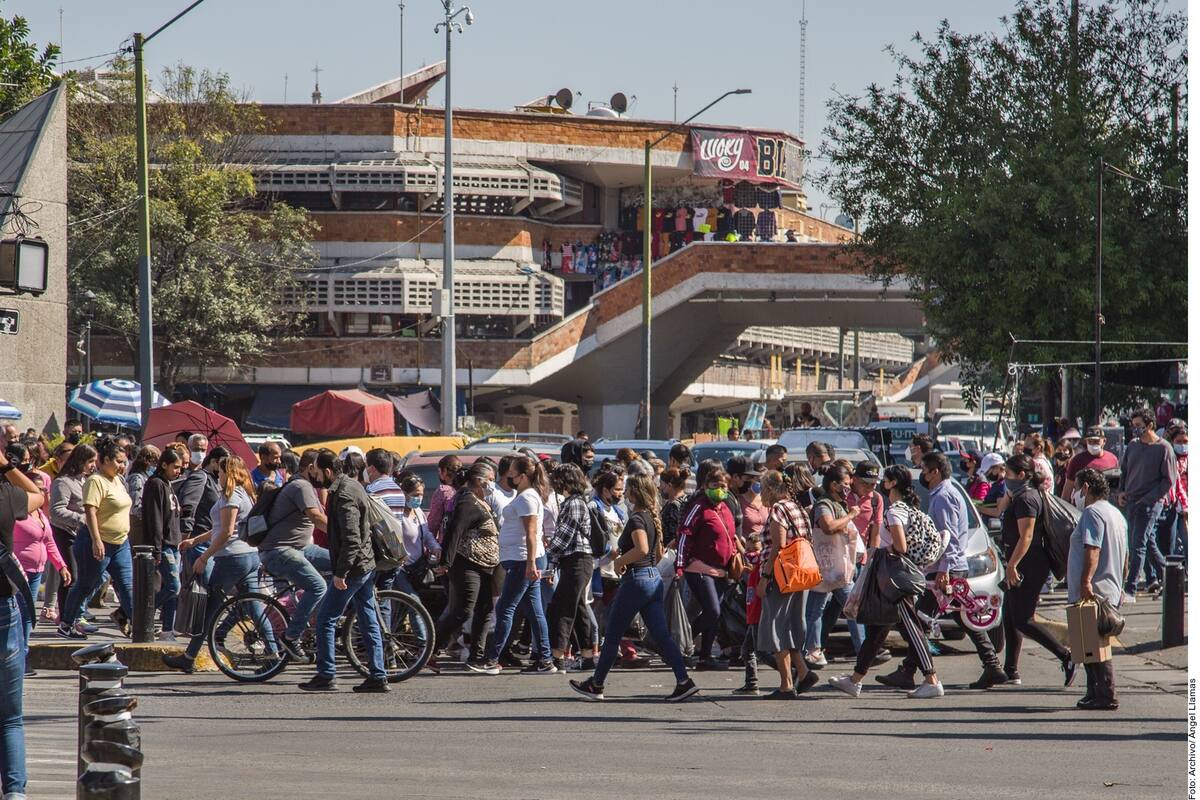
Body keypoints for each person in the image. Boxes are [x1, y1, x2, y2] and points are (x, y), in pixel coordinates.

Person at [569, 474, 698, 702]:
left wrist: (620, 561)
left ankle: (596, 684)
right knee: (661, 635)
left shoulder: (638, 518)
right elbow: (657, 554)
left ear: (634, 493)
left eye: (627, 489)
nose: (624, 493)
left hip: (637, 580)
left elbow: (642, 548)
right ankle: (683, 680)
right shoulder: (651, 518)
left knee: (612, 633)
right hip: (652, 579)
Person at [885, 453, 1006, 690]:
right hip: (949, 568)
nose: (923, 475)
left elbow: (949, 537)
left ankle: (908, 671)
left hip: (946, 569)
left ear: (935, 472)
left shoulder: (943, 496)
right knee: (962, 617)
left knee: (921, 620)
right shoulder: (947, 492)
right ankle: (993, 667)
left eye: (925, 470)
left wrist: (944, 570)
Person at [828, 465, 945, 699]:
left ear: (892, 484)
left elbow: (900, 546)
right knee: (877, 631)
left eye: (885, 480)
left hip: (894, 579)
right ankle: (855, 680)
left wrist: (883, 550)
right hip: (896, 577)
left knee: (911, 629)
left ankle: (932, 681)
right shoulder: (908, 509)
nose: (881, 484)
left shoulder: (895, 512)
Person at [163, 456, 276, 675]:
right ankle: (274, 654)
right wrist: (195, 541)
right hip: (250, 556)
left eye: (221, 472)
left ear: (228, 473)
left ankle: (189, 657)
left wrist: (204, 557)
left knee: (210, 609)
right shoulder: (245, 493)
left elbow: (226, 532)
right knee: (254, 607)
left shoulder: (231, 495)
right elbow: (220, 528)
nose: (219, 475)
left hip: (232, 558)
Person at [294, 451, 388, 692]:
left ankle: (326, 674)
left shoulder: (344, 494)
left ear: (328, 471)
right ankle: (378, 675)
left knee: (326, 618)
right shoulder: (352, 485)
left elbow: (351, 539)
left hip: (354, 568)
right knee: (367, 619)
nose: (315, 477)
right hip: (364, 564)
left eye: (317, 472)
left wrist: (341, 573)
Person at [471, 456, 554, 674]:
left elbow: (531, 533)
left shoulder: (527, 497)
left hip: (523, 560)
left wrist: (530, 564)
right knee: (534, 611)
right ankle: (545, 660)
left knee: (505, 608)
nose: (509, 477)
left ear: (523, 476)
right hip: (522, 559)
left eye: (512, 474)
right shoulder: (525, 495)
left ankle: (493, 659)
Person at [1000, 453, 1075, 686]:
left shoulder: (1027, 499)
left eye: (1008, 474)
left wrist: (1012, 565)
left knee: (1024, 619)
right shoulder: (1023, 495)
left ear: (1022, 475)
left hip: (1029, 564)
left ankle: (1066, 656)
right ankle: (1010, 670)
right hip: (1024, 562)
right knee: (1010, 616)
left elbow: (1027, 536)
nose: (1004, 477)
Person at [0, 442, 45, 798]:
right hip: (3, 608)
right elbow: (38, 495)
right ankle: (15, 793)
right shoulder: (5, 494)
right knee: (10, 718)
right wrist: (5, 466)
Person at [56, 439, 134, 641]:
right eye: (118, 461)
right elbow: (90, 511)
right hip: (97, 541)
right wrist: (96, 540)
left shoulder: (118, 480)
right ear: (105, 460)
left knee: (127, 585)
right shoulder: (95, 481)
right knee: (86, 584)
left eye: (124, 462)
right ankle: (66, 624)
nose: (122, 466)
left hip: (120, 542)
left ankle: (140, 626)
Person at [255, 449, 330, 660]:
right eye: (320, 470)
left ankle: (317, 618)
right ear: (311, 468)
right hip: (279, 551)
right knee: (318, 586)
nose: (323, 475)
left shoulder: (306, 486)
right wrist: (344, 535)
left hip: (300, 547)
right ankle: (292, 635)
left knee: (340, 563)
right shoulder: (300, 486)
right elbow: (316, 518)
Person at [1064, 468, 1128, 710]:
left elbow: (1093, 548)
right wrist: (1121, 584)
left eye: (1076, 488)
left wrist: (1085, 581)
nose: (1074, 494)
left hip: (1095, 588)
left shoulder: (1092, 513)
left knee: (1095, 644)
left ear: (1086, 488)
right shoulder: (1115, 513)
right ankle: (1094, 692)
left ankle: (1106, 694)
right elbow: (1126, 557)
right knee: (1088, 644)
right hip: (1110, 586)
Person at [754, 470, 819, 698]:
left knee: (776, 628)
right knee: (790, 626)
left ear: (771, 489)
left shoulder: (779, 509)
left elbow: (778, 546)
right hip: (799, 574)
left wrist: (765, 577)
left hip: (780, 576)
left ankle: (786, 684)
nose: (761, 494)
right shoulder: (796, 507)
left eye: (762, 488)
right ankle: (803, 672)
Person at [7, 444, 69, 675]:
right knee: (21, 616)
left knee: (28, 617)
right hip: (17, 572)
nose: (43, 494)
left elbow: (49, 542)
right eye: (39, 489)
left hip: (36, 571)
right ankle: (20, 660)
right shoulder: (16, 511)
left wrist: (61, 566)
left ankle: (22, 656)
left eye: (44, 489)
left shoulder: (41, 514)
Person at [433, 463, 500, 669]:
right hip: (466, 563)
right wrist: (445, 562)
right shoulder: (467, 501)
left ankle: (476, 656)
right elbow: (454, 531)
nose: (493, 484)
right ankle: (428, 649)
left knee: (485, 608)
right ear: (479, 481)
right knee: (463, 610)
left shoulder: (480, 500)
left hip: (484, 565)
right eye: (491, 480)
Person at [677, 466, 737, 670]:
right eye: (714, 485)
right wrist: (680, 565)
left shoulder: (725, 508)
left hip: (721, 570)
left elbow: (731, 536)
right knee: (712, 610)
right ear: (705, 486)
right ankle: (679, 645)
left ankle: (705, 657)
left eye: (723, 486)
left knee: (715, 615)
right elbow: (684, 534)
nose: (719, 489)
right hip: (699, 568)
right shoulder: (699, 507)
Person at [804, 464, 863, 669]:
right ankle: (813, 651)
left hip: (836, 567)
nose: (848, 488)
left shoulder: (839, 504)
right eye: (845, 484)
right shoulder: (824, 504)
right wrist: (851, 515)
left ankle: (863, 650)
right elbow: (828, 527)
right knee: (827, 609)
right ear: (834, 485)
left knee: (851, 607)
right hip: (825, 567)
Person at [545, 463, 599, 671]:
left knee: (562, 608)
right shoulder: (574, 501)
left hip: (577, 560)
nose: (553, 483)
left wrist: (549, 558)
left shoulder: (574, 503)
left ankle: (557, 657)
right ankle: (587, 656)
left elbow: (564, 537)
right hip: (577, 561)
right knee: (578, 609)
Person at [1118, 408, 1177, 598]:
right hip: (1131, 501)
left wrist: (1149, 499)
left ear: (1150, 425)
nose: (1134, 429)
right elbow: (1124, 471)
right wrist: (1121, 491)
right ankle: (1169, 576)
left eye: (1138, 425)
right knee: (1147, 542)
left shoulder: (1164, 448)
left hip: (1150, 504)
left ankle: (1131, 589)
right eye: (1133, 425)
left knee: (1138, 544)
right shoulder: (1133, 445)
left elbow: (1168, 480)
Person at [47, 444, 97, 632]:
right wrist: (83, 519)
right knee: (70, 577)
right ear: (80, 461)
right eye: (90, 461)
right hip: (66, 534)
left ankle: (75, 615)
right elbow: (56, 511)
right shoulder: (63, 482)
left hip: (83, 535)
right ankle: (67, 619)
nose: (93, 465)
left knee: (86, 577)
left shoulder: (86, 480)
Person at [139, 448, 183, 641]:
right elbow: (155, 519)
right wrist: (157, 549)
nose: (178, 471)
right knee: (174, 586)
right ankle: (139, 615)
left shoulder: (168, 484)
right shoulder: (155, 484)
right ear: (164, 464)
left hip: (174, 543)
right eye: (175, 467)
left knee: (173, 591)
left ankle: (167, 629)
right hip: (163, 544)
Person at [176, 446, 227, 586]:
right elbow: (188, 506)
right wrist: (186, 533)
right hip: (198, 540)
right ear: (214, 462)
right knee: (204, 586)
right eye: (222, 465)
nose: (226, 469)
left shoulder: (216, 480)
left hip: (211, 539)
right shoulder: (200, 477)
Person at [1062, 426, 1120, 502]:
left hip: (1105, 504)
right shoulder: (1077, 460)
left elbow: (1116, 487)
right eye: (1090, 441)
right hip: (1082, 506)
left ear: (1104, 441)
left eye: (1096, 441)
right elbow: (1067, 490)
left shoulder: (1113, 459)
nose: (1093, 444)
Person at [1158, 426, 1188, 561]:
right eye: (1179, 441)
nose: (1182, 445)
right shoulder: (1170, 459)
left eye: (1185, 441)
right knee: (1173, 543)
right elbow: (1177, 484)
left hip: (1184, 506)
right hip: (1175, 506)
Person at [125, 444, 160, 547]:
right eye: (155, 463)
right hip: (138, 524)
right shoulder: (137, 478)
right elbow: (135, 505)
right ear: (148, 461)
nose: (155, 466)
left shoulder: (148, 477)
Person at [729, 456, 767, 547]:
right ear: (735, 477)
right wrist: (744, 552)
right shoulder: (731, 499)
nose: (751, 481)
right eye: (748, 478)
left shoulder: (764, 498)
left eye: (753, 477)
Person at [425, 454, 461, 542]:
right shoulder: (466, 489)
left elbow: (433, 523)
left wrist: (429, 545)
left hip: (447, 542)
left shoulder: (443, 491)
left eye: (439, 471)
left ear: (444, 471)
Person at [658, 466, 689, 548]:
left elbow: (672, 536)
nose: (659, 487)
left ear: (669, 485)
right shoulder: (686, 500)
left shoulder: (674, 506)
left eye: (661, 484)